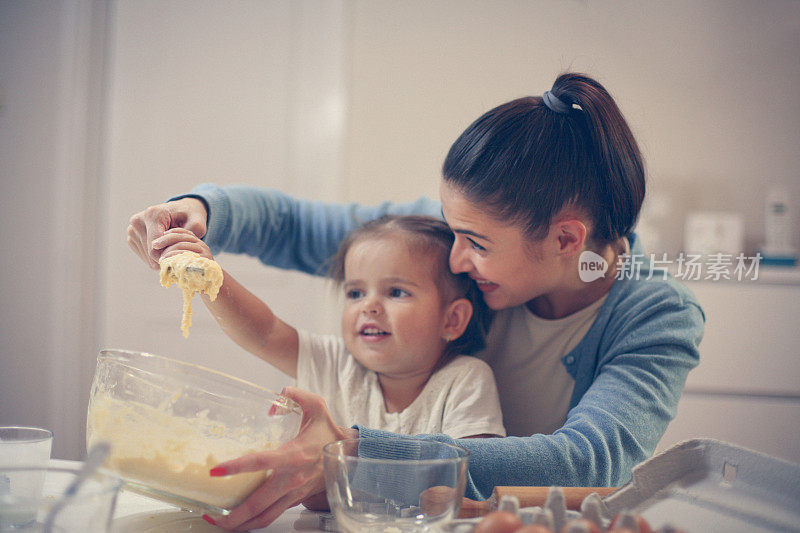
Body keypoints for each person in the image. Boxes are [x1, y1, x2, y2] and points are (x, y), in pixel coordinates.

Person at [127, 72, 705, 530]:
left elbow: (584, 464)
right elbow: (296, 224)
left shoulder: (656, 316)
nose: (453, 259)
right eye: (453, 230)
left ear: (566, 239)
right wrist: (196, 213)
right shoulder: (455, 238)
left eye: (476, 243)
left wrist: (356, 453)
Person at [147, 215, 505, 439]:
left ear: (452, 319)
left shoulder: (466, 380)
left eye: (396, 292)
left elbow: (473, 472)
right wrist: (209, 275)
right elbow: (264, 332)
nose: (369, 306)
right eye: (355, 292)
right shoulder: (335, 361)